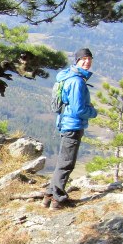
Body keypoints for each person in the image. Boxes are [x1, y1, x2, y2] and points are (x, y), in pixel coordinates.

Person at [43, 48, 98, 210]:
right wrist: (93, 112)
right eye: (84, 59)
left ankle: (48, 196)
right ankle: (57, 199)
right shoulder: (77, 81)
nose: (87, 62)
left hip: (65, 123)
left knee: (63, 161)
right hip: (72, 124)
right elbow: (78, 109)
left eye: (89, 59)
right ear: (77, 61)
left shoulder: (69, 76)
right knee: (67, 163)